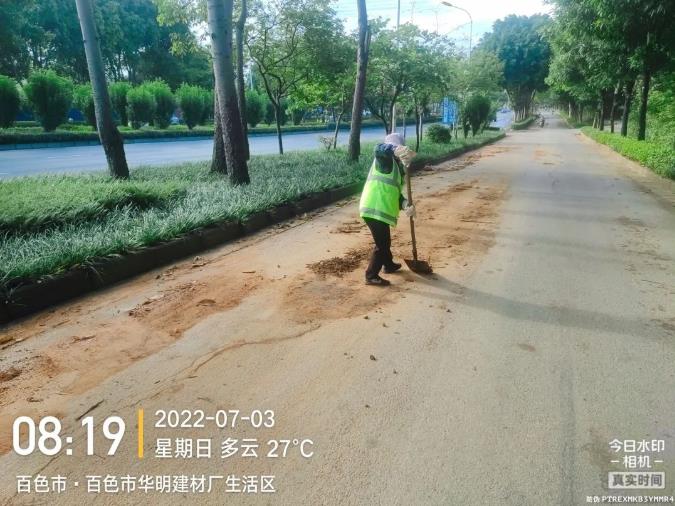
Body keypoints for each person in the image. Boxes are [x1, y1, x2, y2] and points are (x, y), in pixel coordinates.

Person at [359, 133, 416, 286]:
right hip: (374, 207)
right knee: (382, 244)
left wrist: (405, 205)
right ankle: (371, 276)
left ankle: (388, 265)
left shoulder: (396, 168)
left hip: (380, 209)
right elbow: (378, 149)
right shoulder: (384, 159)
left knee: (385, 240)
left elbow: (395, 193)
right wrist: (394, 149)